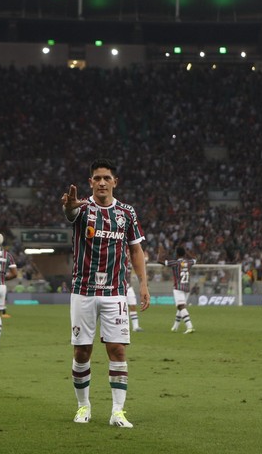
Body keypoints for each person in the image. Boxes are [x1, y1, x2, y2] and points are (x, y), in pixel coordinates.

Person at [62, 158, 149, 429]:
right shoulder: (82, 207)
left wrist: (143, 283)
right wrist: (68, 206)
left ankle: (118, 411)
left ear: (115, 182)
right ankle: (83, 406)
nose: (101, 182)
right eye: (97, 178)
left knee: (118, 351)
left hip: (115, 291)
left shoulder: (126, 213)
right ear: (90, 182)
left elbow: (135, 250)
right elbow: (70, 214)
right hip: (83, 291)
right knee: (82, 352)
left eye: (106, 178)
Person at [163, 246, 197, 333]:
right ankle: (175, 326)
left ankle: (189, 326)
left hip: (178, 287)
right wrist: (187, 252)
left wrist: (161, 253)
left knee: (181, 307)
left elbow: (161, 261)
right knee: (180, 307)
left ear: (177, 254)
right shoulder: (189, 262)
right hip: (186, 288)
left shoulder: (175, 263)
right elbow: (195, 259)